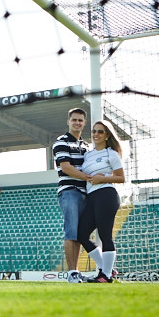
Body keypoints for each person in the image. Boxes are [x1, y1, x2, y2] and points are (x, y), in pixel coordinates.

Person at [77, 119, 126, 283]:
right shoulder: (88, 154)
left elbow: (121, 178)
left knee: (105, 235)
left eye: (100, 131)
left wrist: (102, 178)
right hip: (91, 198)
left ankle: (104, 276)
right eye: (94, 131)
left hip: (106, 195)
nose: (96, 134)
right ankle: (107, 269)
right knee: (81, 234)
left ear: (107, 135)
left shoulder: (111, 153)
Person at [52, 108, 91, 283]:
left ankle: (78, 271)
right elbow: (66, 167)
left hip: (86, 193)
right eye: (74, 120)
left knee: (81, 234)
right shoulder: (61, 142)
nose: (77, 123)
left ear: (84, 123)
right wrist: (88, 177)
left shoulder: (87, 146)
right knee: (71, 232)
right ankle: (72, 273)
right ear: (68, 122)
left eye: (80, 120)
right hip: (70, 191)